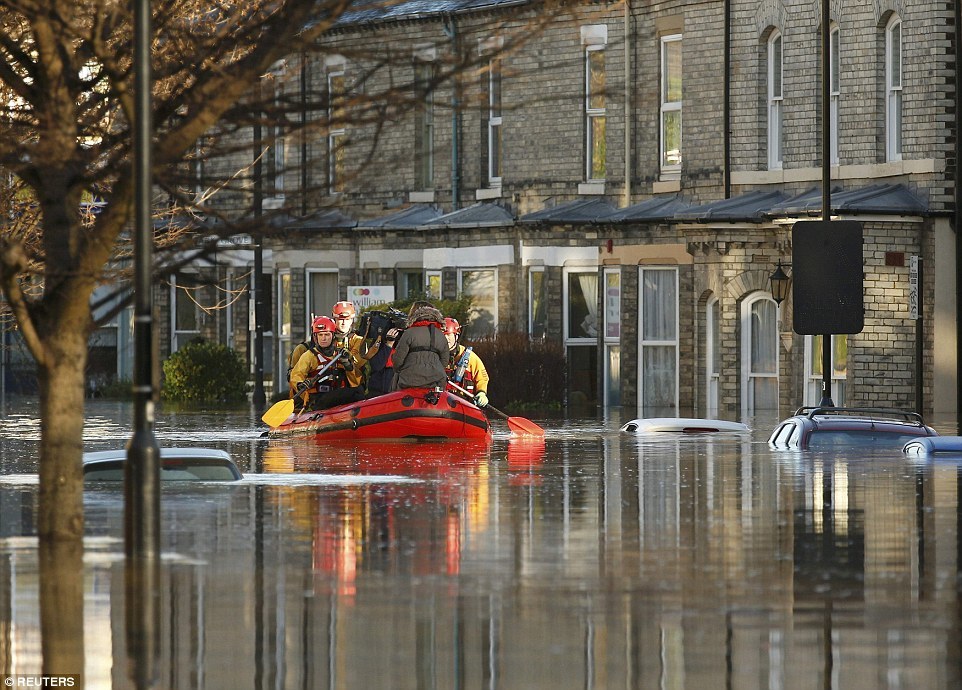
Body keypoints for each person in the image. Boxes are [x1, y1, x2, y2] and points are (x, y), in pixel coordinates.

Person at [289, 316, 364, 411]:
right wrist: (300, 384)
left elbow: (356, 382)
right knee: (353, 393)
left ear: (333, 336)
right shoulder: (309, 356)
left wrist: (348, 365)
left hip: (337, 395)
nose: (324, 339)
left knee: (358, 391)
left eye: (327, 335)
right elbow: (296, 375)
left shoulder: (341, 354)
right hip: (318, 399)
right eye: (320, 335)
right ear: (315, 337)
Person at [391, 303, 448, 391]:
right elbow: (444, 362)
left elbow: (398, 360)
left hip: (409, 381)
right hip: (435, 382)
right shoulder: (441, 335)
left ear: (415, 318)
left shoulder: (409, 332)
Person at [331, 300, 381, 396]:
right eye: (340, 319)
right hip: (331, 385)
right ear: (334, 319)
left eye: (347, 319)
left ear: (352, 321)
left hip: (353, 387)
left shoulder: (358, 339)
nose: (343, 323)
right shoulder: (327, 338)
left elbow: (357, 363)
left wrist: (345, 360)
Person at [443, 317, 490, 408]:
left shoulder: (470, 357)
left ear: (456, 336)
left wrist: (481, 392)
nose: (446, 339)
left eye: (449, 335)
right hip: (441, 404)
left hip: (464, 405)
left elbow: (482, 378)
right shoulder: (433, 357)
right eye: (443, 335)